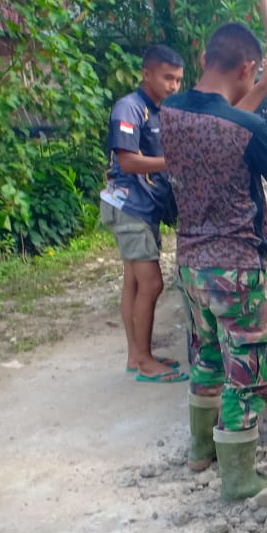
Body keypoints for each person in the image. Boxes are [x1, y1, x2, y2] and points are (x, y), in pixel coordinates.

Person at [159, 23, 267, 499]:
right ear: (245, 67)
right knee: (250, 371)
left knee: (208, 357)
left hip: (191, 262)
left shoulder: (170, 113)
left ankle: (202, 451)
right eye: (252, 74)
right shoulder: (250, 129)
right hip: (236, 267)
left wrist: (260, 89)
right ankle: (239, 481)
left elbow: (221, 121)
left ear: (201, 58)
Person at [102, 44, 185, 383]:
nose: (174, 86)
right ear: (146, 73)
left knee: (134, 282)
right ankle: (145, 361)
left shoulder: (158, 110)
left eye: (179, 80)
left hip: (142, 206)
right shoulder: (130, 107)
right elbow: (127, 160)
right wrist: (174, 162)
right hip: (130, 205)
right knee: (151, 283)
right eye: (168, 78)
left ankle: (136, 356)